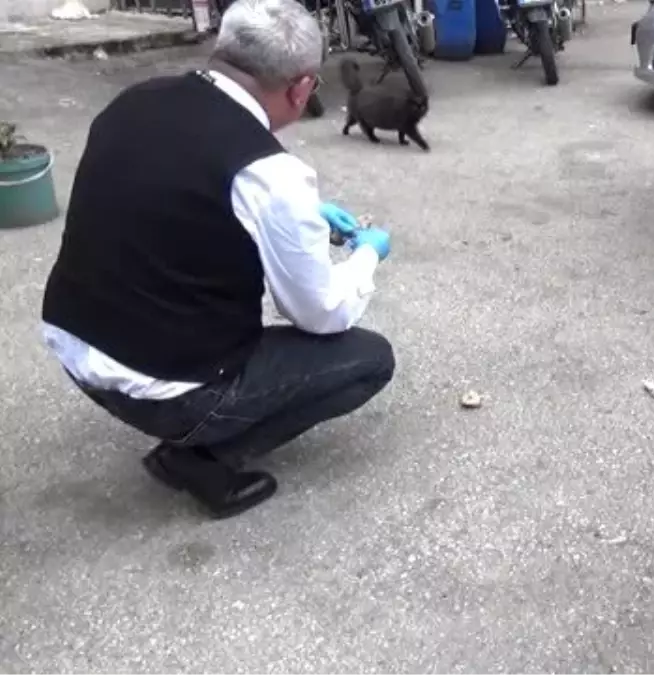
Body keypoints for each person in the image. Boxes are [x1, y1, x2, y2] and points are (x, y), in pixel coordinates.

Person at [40, 0, 395, 520]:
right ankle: (202, 456)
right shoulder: (273, 175)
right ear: (300, 89)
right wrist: (368, 255)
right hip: (166, 386)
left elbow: (165, 190)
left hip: (73, 346)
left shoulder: (133, 101)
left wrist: (304, 213)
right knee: (368, 359)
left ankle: (193, 432)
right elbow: (321, 314)